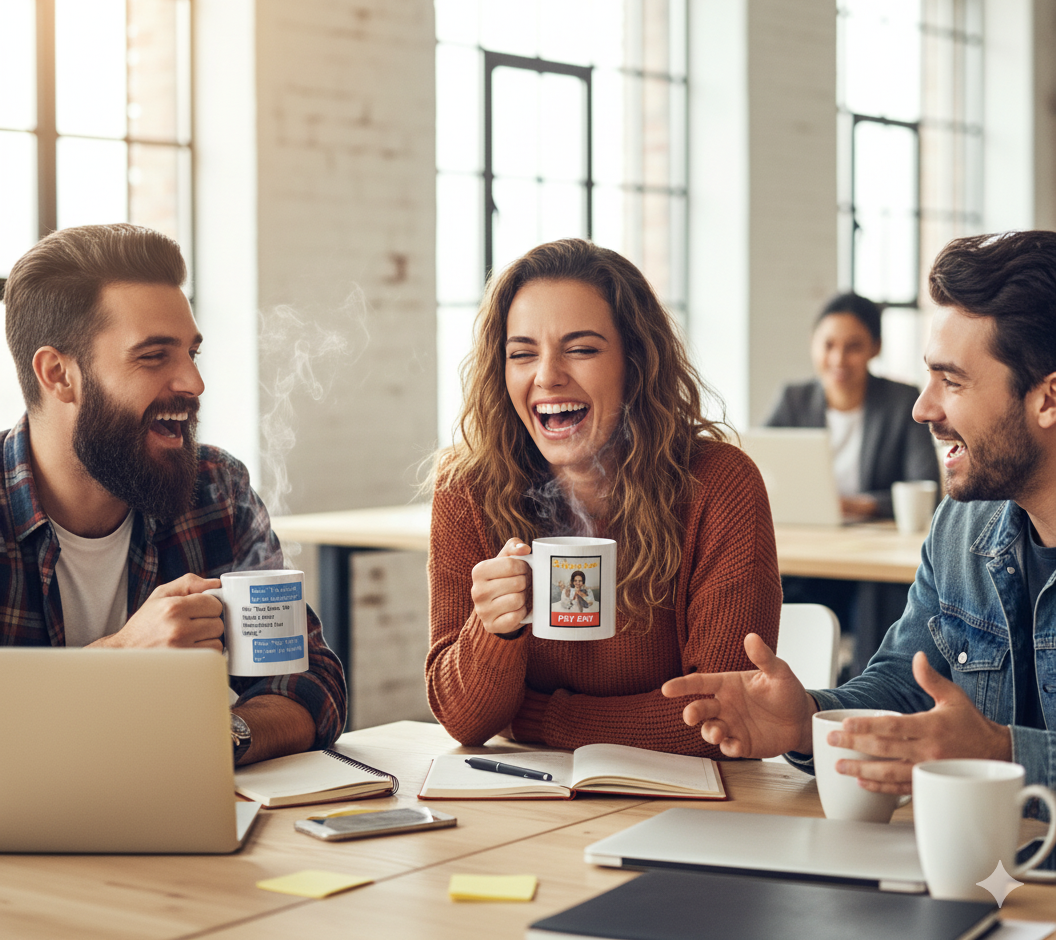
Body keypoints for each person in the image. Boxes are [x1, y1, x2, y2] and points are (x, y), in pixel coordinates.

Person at [663, 230, 1056, 813]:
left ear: (1048, 400)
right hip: (985, 868)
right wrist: (810, 720)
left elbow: (987, 748)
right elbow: (903, 682)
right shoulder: (961, 528)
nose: (923, 407)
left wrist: (1003, 754)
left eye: (952, 380)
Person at [0, 224, 346, 765]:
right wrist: (117, 663)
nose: (193, 382)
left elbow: (312, 684)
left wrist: (219, 736)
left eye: (191, 352)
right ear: (58, 374)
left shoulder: (215, 491)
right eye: (154, 356)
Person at [426, 238, 781, 755]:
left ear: (635, 364)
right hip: (528, 800)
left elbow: (725, 715)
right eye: (522, 353)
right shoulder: (467, 489)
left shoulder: (717, 485)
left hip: (684, 810)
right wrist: (493, 632)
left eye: (582, 349)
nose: (546, 376)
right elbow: (465, 721)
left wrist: (541, 716)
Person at [767, 292, 941, 669]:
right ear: (814, 345)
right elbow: (761, 469)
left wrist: (859, 505)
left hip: (870, 551)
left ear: (875, 348)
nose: (838, 359)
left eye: (853, 347)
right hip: (810, 548)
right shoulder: (794, 400)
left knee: (876, 594)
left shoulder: (901, 401)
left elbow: (926, 485)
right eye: (828, 345)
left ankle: (867, 685)